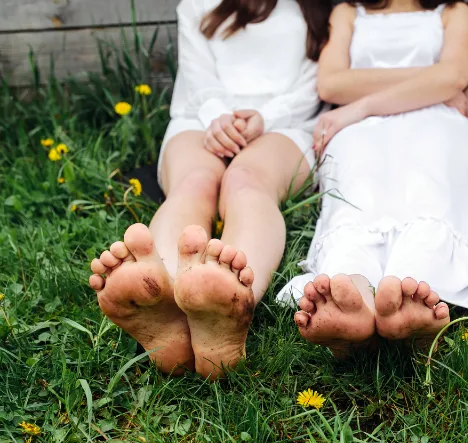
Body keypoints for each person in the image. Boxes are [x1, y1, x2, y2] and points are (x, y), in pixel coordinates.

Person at [89, 0, 331, 379]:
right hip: (201, 119)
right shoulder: (198, 4)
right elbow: (198, 77)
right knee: (193, 184)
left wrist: (265, 118)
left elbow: (316, 82)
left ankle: (229, 296)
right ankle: (164, 293)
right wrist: (218, 117)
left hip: (285, 124)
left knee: (248, 181)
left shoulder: (319, 7)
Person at [277, 0, 468, 356]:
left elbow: (454, 76)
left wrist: (363, 101)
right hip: (360, 127)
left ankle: (414, 289)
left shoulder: (453, 11)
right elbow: (331, 83)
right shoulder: (348, 12)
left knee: (428, 182)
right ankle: (352, 295)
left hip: (433, 120)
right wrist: (430, 80)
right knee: (359, 188)